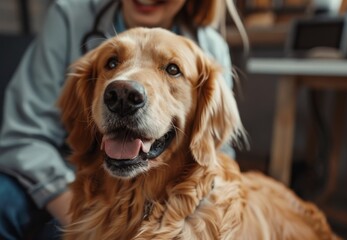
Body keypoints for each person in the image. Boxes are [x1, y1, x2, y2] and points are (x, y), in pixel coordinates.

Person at [0, 0, 248, 239]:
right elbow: (24, 135)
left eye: (172, 69)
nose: (124, 94)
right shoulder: (68, 14)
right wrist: (88, 225)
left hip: (171, 204)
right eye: (112, 62)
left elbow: (216, 154)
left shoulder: (211, 48)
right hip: (64, 191)